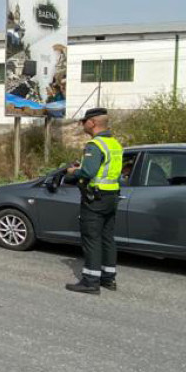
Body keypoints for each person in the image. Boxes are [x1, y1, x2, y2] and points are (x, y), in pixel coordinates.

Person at [64, 107, 123, 294]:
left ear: (92, 123)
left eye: (84, 122)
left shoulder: (95, 145)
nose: (83, 125)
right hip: (112, 196)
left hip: (95, 199)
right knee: (107, 238)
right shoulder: (114, 144)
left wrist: (73, 172)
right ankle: (108, 278)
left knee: (92, 239)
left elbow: (88, 172)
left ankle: (90, 281)